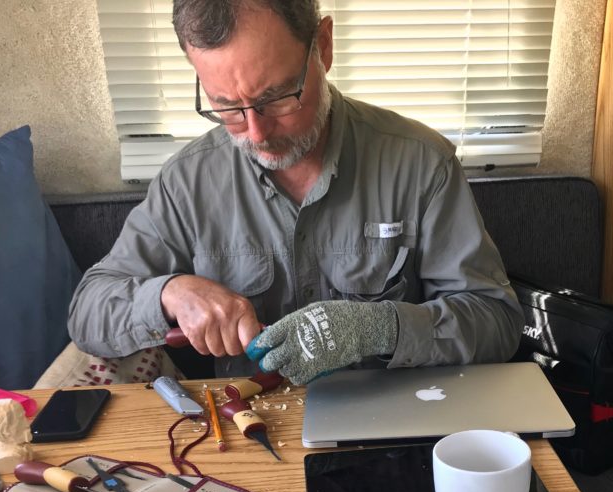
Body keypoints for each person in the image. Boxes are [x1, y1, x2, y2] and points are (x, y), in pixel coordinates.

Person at [68, 0, 523, 385]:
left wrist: (381, 329)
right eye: (226, 107)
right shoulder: (187, 181)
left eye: (277, 97)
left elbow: (497, 322)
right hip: (246, 429)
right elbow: (88, 312)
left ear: (323, 46)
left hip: (393, 420)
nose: (256, 132)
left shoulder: (421, 162)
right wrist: (170, 293)